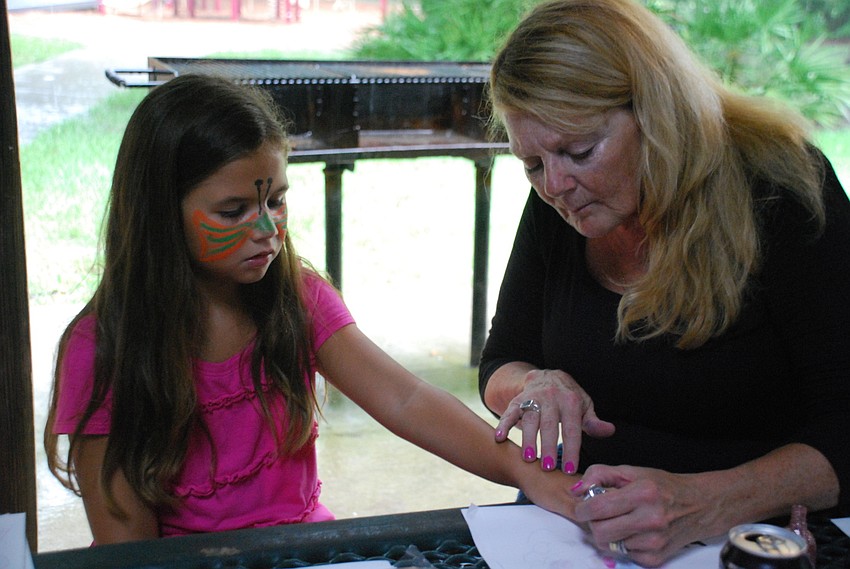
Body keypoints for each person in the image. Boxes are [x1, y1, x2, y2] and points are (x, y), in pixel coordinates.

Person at [43, 73, 580, 544]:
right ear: (161, 212)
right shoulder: (103, 349)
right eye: (232, 211)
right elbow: (127, 547)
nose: (266, 230)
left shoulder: (294, 299)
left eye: (275, 200)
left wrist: (523, 471)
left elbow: (405, 398)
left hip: (306, 552)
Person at [480, 0, 850, 566]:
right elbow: (502, 359)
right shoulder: (562, 200)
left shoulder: (783, 191)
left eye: (579, 151)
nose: (555, 185)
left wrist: (706, 502)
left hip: (748, 543)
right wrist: (535, 383)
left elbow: (844, 427)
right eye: (531, 163)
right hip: (577, 535)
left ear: (656, 114)